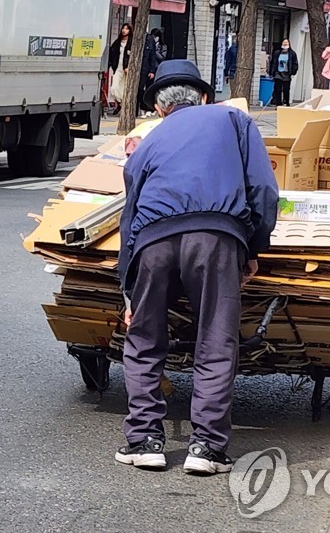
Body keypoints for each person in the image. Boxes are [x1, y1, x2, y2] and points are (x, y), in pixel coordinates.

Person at [115, 60, 279, 474]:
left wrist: (129, 289)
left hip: (153, 239)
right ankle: (205, 449)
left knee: (144, 340)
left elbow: (129, 214)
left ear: (158, 107)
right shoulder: (234, 119)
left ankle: (144, 441)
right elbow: (262, 189)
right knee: (216, 341)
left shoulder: (148, 141)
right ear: (203, 96)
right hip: (216, 236)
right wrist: (254, 246)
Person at [136, 28, 166, 115]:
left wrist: (155, 50)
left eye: (156, 36)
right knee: (142, 88)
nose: (155, 38)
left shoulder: (162, 46)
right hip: (146, 69)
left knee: (151, 88)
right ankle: (143, 107)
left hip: (156, 69)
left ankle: (151, 108)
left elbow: (161, 57)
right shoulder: (147, 42)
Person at [107, 23, 132, 115]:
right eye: (123, 28)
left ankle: (123, 105)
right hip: (117, 68)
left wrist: (129, 67)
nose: (124, 30)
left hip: (127, 69)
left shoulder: (131, 42)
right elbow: (111, 54)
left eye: (127, 29)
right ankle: (122, 103)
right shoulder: (117, 42)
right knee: (114, 88)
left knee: (124, 89)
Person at [267, 39, 298, 106]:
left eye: (286, 42)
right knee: (278, 89)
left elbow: (295, 64)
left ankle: (286, 102)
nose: (285, 44)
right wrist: (272, 73)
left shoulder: (292, 54)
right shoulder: (277, 53)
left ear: (289, 44)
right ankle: (278, 103)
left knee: (286, 90)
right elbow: (273, 63)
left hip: (287, 74)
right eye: (284, 42)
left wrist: (293, 72)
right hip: (278, 73)